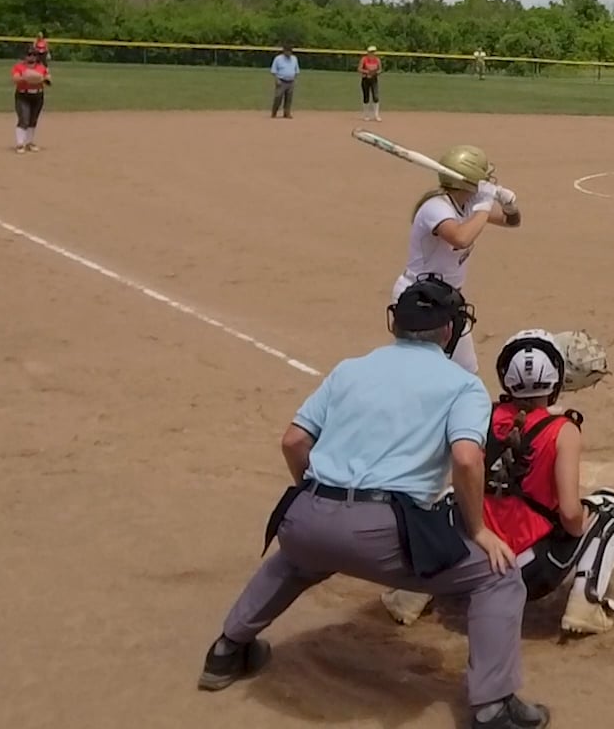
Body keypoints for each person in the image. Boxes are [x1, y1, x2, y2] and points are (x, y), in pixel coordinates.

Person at [196, 278, 552, 729]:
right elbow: (466, 459)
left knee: (299, 557)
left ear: (396, 323)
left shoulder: (349, 369)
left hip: (304, 516)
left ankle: (227, 650)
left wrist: (319, 500)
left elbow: (293, 441)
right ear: (449, 329)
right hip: (383, 532)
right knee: (498, 576)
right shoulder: (462, 385)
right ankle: (493, 706)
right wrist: (479, 530)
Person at [381, 329, 614, 637]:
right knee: (610, 507)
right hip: (527, 573)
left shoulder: (481, 414)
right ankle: (586, 606)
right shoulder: (564, 429)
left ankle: (410, 594)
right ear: (556, 379)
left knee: (451, 495)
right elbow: (569, 515)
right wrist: (583, 524)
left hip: (470, 562)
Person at [394, 144, 521, 377]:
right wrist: (484, 206)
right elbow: (460, 238)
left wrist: (508, 205)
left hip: (447, 300)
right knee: (422, 372)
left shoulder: (468, 204)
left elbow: (511, 222)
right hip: (419, 300)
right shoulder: (436, 207)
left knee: (466, 373)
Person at [12, 51, 51, 153]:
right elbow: (15, 79)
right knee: (24, 119)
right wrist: (26, 78)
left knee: (33, 120)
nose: (32, 57)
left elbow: (48, 81)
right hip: (23, 95)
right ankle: (20, 144)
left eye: (34, 55)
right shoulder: (19, 67)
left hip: (37, 95)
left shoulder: (41, 67)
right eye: (29, 54)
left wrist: (42, 78)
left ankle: (29, 143)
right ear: (25, 56)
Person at [270, 45, 299, 119]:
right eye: (287, 51)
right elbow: (274, 71)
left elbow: (296, 71)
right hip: (281, 81)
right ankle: (274, 112)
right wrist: (277, 80)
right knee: (278, 97)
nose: (289, 53)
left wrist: (294, 79)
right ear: (284, 51)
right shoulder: (278, 59)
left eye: (290, 51)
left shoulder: (294, 59)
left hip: (291, 81)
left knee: (289, 98)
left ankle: (287, 113)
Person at [359, 45, 383, 122]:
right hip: (365, 79)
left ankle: (376, 115)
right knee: (366, 97)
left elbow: (380, 69)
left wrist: (375, 73)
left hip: (374, 79)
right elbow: (359, 69)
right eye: (371, 52)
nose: (372, 53)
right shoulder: (364, 59)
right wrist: (367, 72)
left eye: (373, 52)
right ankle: (366, 115)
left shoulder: (377, 60)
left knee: (375, 96)